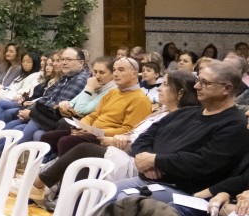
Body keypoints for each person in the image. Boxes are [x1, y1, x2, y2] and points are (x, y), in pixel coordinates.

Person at [29, 70, 200, 202]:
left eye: (166, 85)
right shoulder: (159, 110)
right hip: (124, 145)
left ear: (180, 93)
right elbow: (131, 131)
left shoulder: (175, 116)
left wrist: (116, 138)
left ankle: (41, 184)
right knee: (61, 136)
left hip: (136, 158)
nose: (160, 88)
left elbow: (146, 140)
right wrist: (91, 127)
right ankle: (67, 199)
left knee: (80, 147)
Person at [115, 61, 249, 197]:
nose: (197, 86)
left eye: (205, 83)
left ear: (227, 89)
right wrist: (148, 160)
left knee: (123, 200)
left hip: (182, 190)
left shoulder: (234, 124)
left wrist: (156, 161)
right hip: (147, 179)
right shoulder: (185, 113)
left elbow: (204, 163)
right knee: (100, 192)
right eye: (198, 81)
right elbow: (144, 138)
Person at [38, 56, 152, 157]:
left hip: (107, 138)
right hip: (92, 132)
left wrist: (94, 131)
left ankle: (64, 174)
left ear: (135, 74)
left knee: (66, 141)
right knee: (48, 137)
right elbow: (94, 115)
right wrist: (82, 127)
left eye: (121, 70)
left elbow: (128, 131)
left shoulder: (140, 99)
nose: (116, 74)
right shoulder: (113, 92)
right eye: (114, 70)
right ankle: (54, 163)